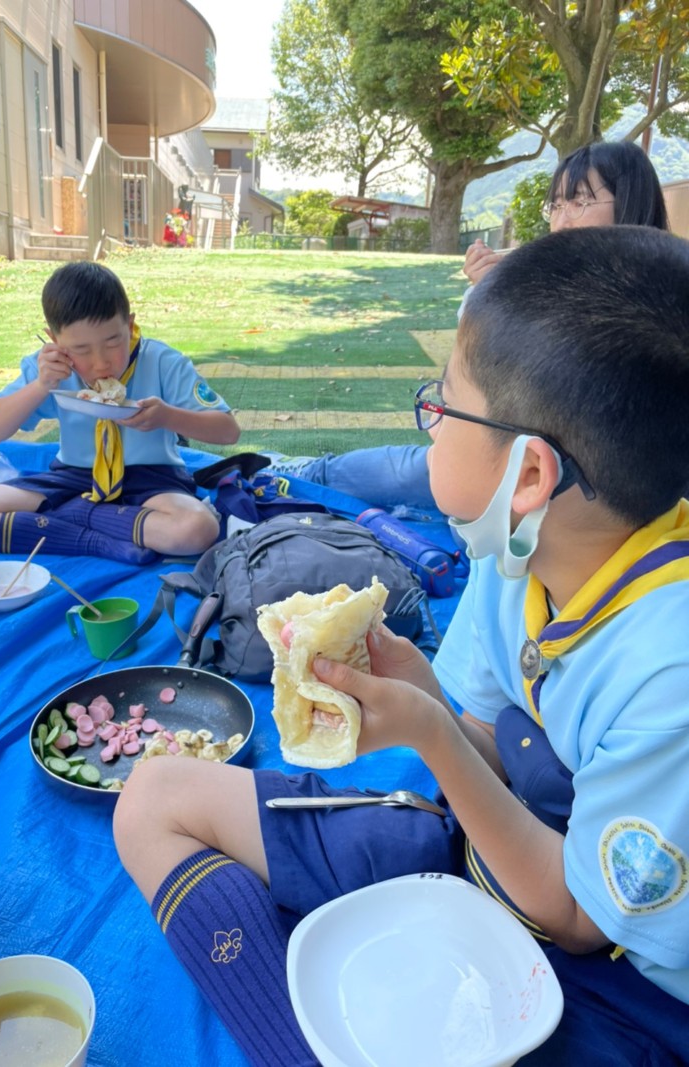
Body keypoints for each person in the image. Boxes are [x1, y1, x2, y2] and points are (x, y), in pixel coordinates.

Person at [113, 225, 689, 1066]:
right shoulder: (512, 547)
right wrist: (420, 690)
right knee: (153, 796)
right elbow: (490, 749)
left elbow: (575, 914)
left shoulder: (669, 670)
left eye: (444, 404)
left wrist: (428, 732)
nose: (428, 424)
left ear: (529, 475)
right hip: (490, 851)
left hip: (622, 976)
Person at [267, 140, 669, 518]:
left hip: (543, 490)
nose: (561, 221)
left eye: (580, 201)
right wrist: (488, 294)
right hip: (500, 467)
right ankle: (300, 472)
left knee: (397, 481)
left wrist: (497, 298)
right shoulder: (558, 286)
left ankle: (298, 474)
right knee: (373, 477)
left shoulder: (645, 313)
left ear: (631, 204)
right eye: (557, 203)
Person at [0, 261, 240, 563]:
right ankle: (102, 540)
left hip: (152, 481)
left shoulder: (162, 361)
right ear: (54, 340)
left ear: (130, 324)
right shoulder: (50, 368)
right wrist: (41, 386)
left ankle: (70, 517)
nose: (101, 362)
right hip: (72, 479)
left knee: (198, 528)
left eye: (113, 341)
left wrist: (168, 417)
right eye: (81, 350)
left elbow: (228, 431)